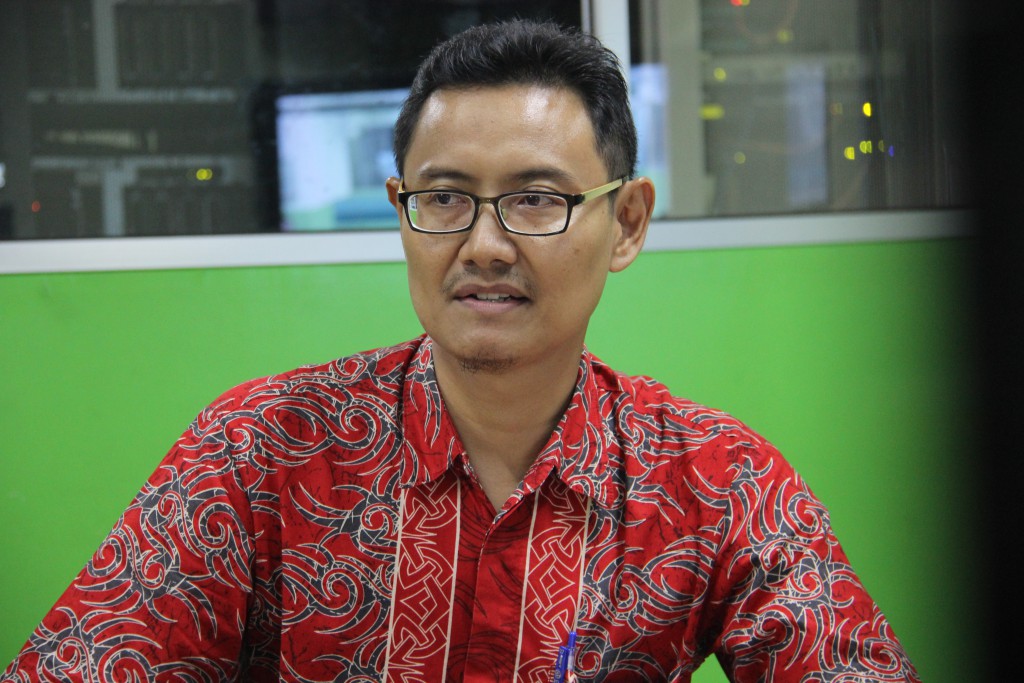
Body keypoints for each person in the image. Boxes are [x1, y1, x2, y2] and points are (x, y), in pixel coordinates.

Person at [2, 19, 919, 683]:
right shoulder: (260, 449)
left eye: (536, 199)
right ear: (400, 209)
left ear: (628, 222)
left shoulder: (715, 481)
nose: (483, 245)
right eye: (443, 198)